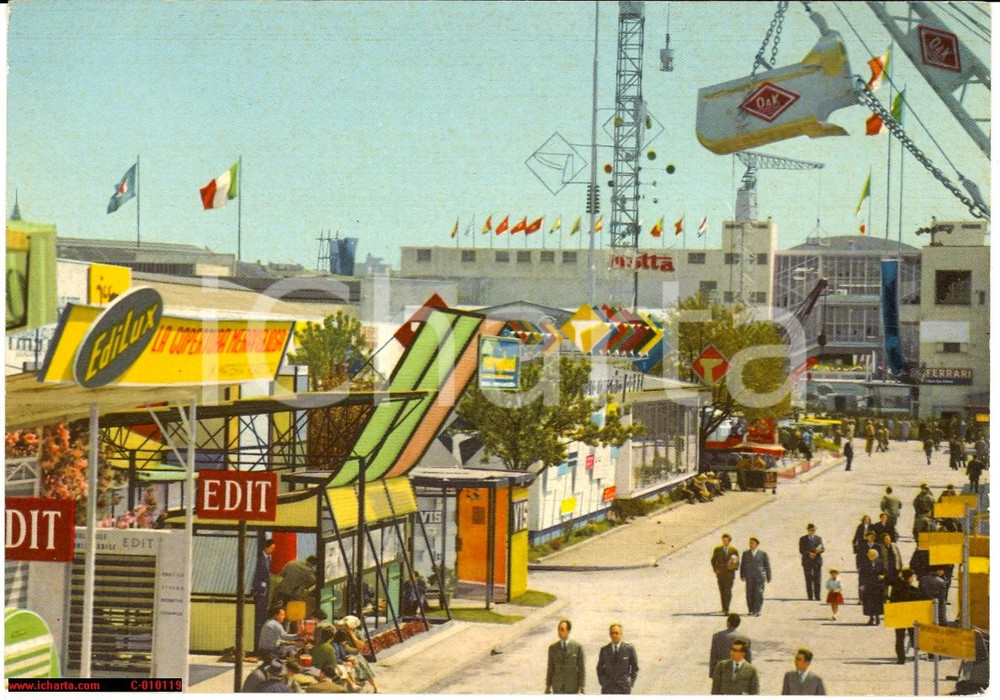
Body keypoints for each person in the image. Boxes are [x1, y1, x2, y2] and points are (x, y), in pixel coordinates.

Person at [888, 568, 929, 664]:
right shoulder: (910, 589)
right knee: (913, 636)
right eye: (912, 577)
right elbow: (921, 597)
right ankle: (916, 655)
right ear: (909, 577)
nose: (913, 579)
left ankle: (901, 659)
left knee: (899, 637)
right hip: (909, 616)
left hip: (898, 616)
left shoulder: (896, 586)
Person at [596, 623, 638, 694]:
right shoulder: (604, 650)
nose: (614, 635)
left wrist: (630, 682)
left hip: (624, 689)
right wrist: (603, 682)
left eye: (616, 633)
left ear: (621, 634)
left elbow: (635, 668)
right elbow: (599, 668)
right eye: (612, 633)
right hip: (608, 689)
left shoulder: (629, 649)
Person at [546, 619, 585, 694]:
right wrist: (548, 685)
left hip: (572, 686)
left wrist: (582, 685)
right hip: (557, 687)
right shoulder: (553, 648)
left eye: (562, 630)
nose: (560, 632)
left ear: (568, 631)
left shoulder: (577, 647)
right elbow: (550, 667)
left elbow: (581, 668)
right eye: (559, 629)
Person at [252, 538, 276, 652]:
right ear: (266, 547)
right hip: (260, 590)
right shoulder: (260, 558)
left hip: (265, 589)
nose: (272, 550)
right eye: (271, 548)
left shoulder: (268, 558)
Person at [740, 537, 771, 616]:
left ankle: (757, 610)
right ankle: (751, 610)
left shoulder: (763, 554)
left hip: (759, 577)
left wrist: (768, 576)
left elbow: (767, 565)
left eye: (752, 543)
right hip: (749, 577)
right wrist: (742, 575)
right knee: (749, 593)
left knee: (758, 593)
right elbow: (743, 565)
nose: (751, 545)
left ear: (756, 544)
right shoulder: (745, 554)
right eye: (750, 543)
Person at [710, 533, 740, 615]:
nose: (724, 542)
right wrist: (715, 569)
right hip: (720, 574)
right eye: (723, 540)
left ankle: (726, 609)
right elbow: (713, 560)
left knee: (728, 591)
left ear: (729, 541)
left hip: (729, 574)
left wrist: (733, 567)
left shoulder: (733, 550)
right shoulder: (717, 549)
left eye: (726, 541)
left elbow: (737, 563)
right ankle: (724, 608)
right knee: (722, 590)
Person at [859, 549, 886, 625]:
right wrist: (862, 585)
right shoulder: (865, 563)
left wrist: (883, 576)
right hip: (868, 585)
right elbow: (861, 575)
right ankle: (871, 618)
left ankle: (877, 618)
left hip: (878, 585)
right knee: (869, 602)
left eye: (873, 555)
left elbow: (884, 572)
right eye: (870, 555)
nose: (871, 556)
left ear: (876, 556)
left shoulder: (880, 562)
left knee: (877, 602)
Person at [798, 524, 824, 601]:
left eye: (814, 530)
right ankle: (810, 596)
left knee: (817, 579)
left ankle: (817, 596)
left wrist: (817, 552)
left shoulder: (818, 538)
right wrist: (809, 553)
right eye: (812, 530)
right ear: (808, 530)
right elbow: (801, 550)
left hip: (817, 561)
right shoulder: (803, 539)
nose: (813, 532)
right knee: (808, 579)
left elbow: (822, 548)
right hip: (807, 561)